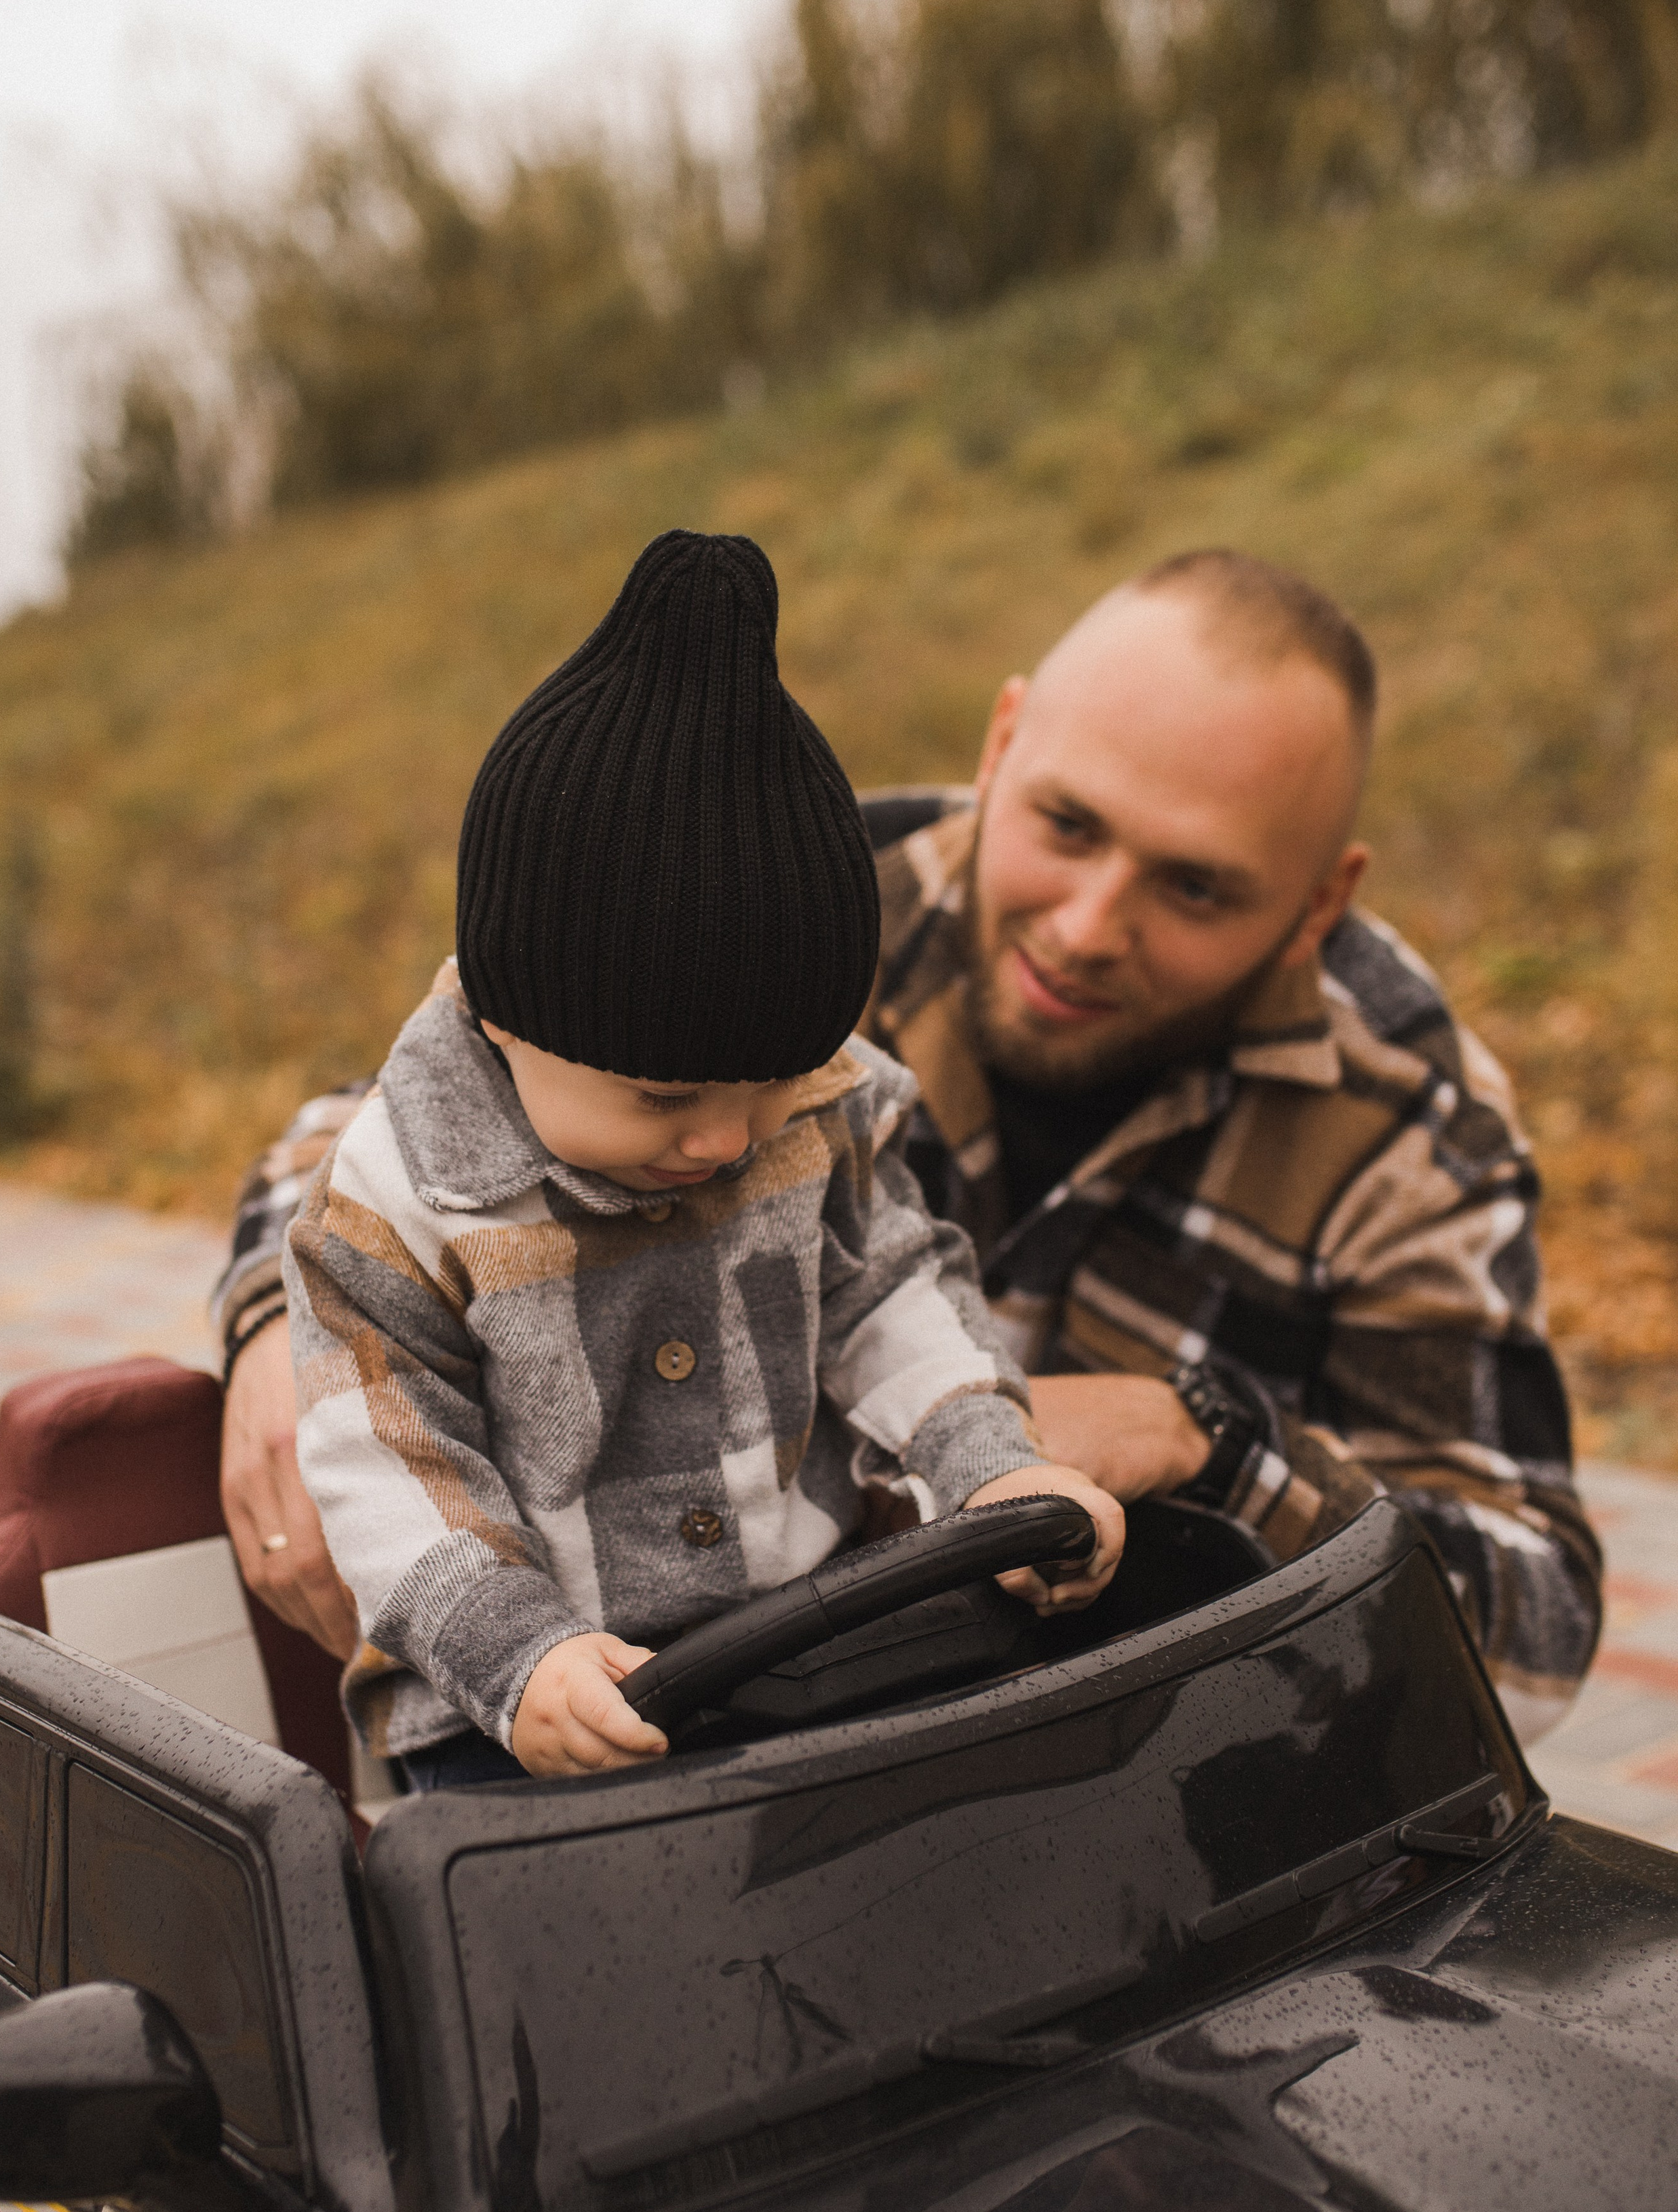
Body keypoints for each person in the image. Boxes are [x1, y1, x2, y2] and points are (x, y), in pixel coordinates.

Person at [218, 545, 1601, 1743]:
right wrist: (295, 1325)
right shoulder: (802, 894)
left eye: (1193, 886)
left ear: (1317, 902)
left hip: (1163, 1766)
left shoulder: (1412, 1133)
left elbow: (1536, 1639)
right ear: (1001, 745)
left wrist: (1210, 1448)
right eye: (1065, 825)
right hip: (724, 1700)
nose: (1083, 926)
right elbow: (407, 1101)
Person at [279, 531, 1120, 1788]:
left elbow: (893, 1296)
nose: (727, 1139)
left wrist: (996, 1468)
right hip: (520, 1716)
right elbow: (389, 1467)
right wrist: (519, 1657)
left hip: (809, 1638)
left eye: (773, 1084)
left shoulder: (820, 1121)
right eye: (665, 1096)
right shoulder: (403, 1205)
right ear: (509, 1020)